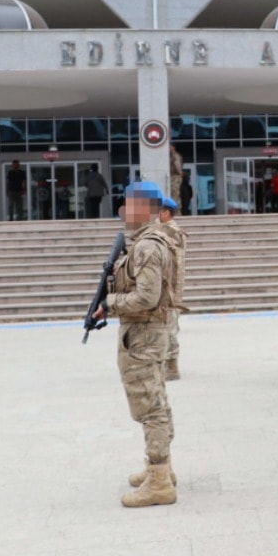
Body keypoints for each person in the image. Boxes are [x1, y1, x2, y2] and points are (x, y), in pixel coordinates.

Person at [90, 181, 179, 508]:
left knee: (150, 406)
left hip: (143, 337)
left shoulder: (147, 246)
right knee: (156, 400)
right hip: (146, 335)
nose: (121, 211)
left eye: (126, 204)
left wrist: (111, 302)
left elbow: (147, 296)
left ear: (142, 207)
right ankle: (161, 469)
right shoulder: (150, 240)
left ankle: (159, 480)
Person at [157, 195, 188, 382]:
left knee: (169, 326)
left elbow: (173, 264)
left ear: (166, 213)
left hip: (168, 287)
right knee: (166, 325)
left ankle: (171, 364)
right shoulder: (168, 231)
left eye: (158, 211)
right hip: (167, 286)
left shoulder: (171, 232)